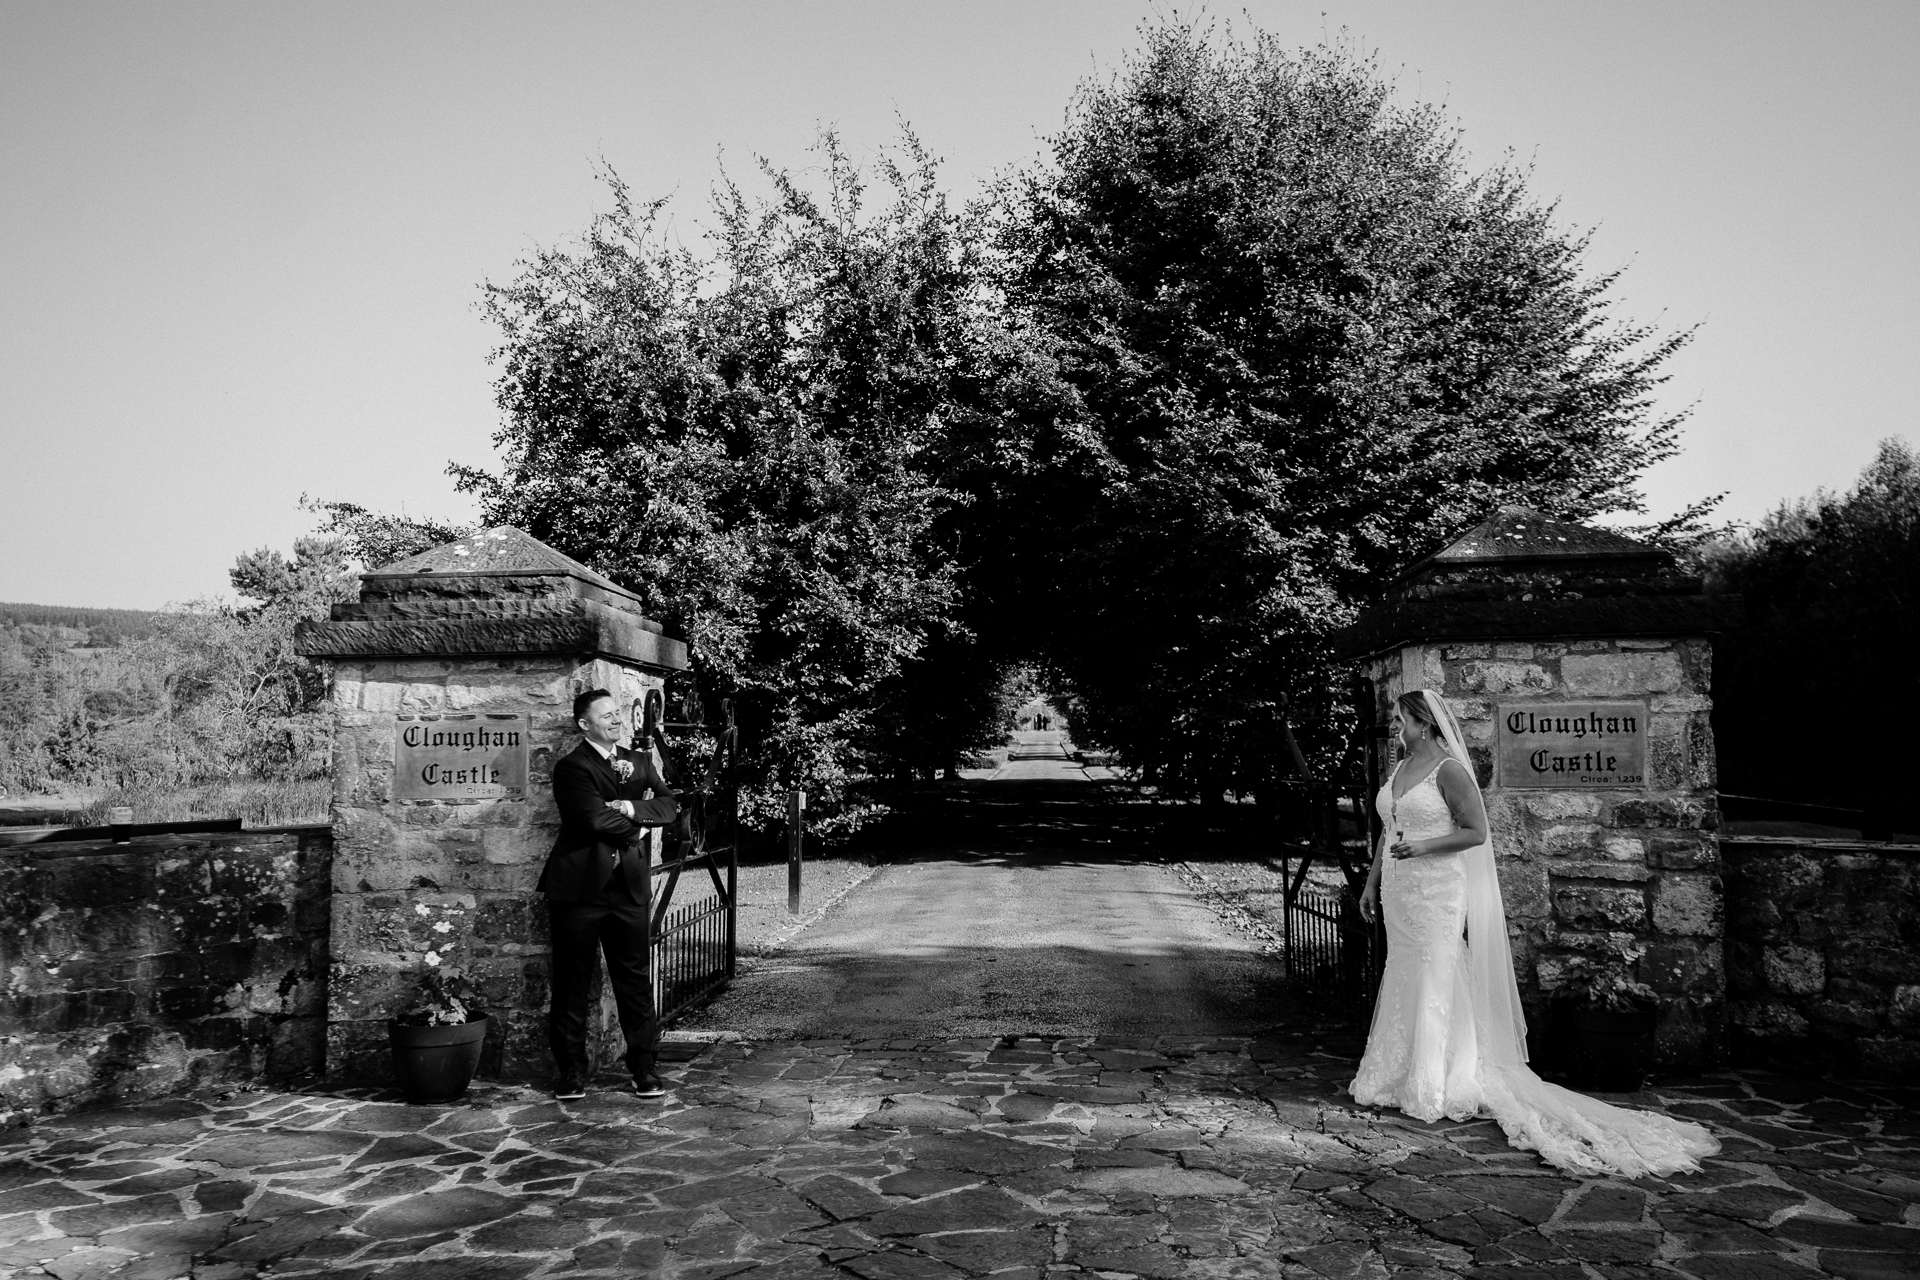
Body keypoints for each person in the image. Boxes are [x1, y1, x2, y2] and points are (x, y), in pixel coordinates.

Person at [1352, 688, 1719, 1177]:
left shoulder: (1450, 771)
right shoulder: (1399, 769)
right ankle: (1396, 1072)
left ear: (1424, 723)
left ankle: (1441, 1077)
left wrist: (1423, 847)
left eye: (1401, 719)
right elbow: (1387, 829)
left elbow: (1475, 832)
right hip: (1399, 890)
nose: (1396, 726)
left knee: (1437, 968)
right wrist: (1371, 882)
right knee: (1404, 969)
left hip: (1436, 888)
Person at [538, 687, 679, 1102]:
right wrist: (637, 825)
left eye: (618, 714)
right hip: (579, 889)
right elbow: (591, 820)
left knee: (634, 979)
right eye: (607, 716)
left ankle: (644, 1068)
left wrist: (633, 808)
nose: (617, 721)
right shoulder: (571, 768)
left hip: (628, 887)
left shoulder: (638, 761)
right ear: (585, 725)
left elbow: (670, 806)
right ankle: (570, 1071)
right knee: (571, 982)